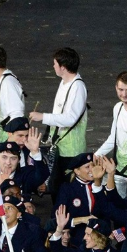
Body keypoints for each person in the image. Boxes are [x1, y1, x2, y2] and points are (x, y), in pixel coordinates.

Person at [29, 48, 88, 195]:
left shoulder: (78, 87)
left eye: (55, 63)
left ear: (63, 66)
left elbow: (70, 118)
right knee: (56, 186)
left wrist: (43, 117)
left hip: (72, 150)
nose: (53, 66)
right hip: (61, 145)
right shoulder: (64, 83)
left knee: (67, 188)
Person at [0, 45, 25, 142]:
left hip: (9, 134)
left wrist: (13, 137)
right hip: (3, 132)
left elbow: (17, 112)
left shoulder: (8, 83)